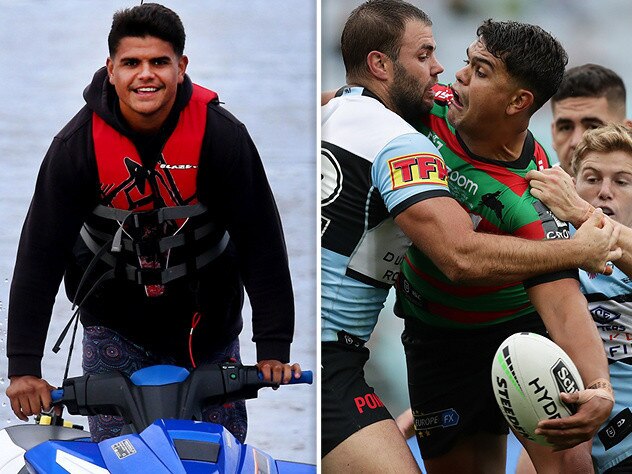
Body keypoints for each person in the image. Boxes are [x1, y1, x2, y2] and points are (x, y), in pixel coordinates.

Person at [321, 2, 619, 472]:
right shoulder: (427, 106)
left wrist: (599, 387)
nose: (456, 76)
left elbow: (562, 303)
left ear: (518, 102)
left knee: (570, 468)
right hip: (434, 339)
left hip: (518, 337)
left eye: (479, 71)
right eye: (466, 60)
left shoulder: (533, 192)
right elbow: (346, 106)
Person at [6, 3, 301, 444]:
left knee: (212, 455)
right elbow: (38, 257)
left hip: (208, 328)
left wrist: (274, 348)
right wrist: (24, 369)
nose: (146, 74)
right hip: (114, 327)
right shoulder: (74, 147)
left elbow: (262, 242)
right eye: (131, 63)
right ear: (110, 70)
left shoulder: (223, 137)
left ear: (181, 68)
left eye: (159, 62)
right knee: (122, 455)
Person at [523, 124, 632, 473]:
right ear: (573, 185)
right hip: (588, 454)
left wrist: (582, 214)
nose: (604, 192)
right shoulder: (548, 254)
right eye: (591, 178)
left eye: (622, 181)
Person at [551, 63, 632, 173]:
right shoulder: (529, 187)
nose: (577, 141)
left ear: (627, 132)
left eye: (593, 127)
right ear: (553, 133)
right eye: (566, 128)